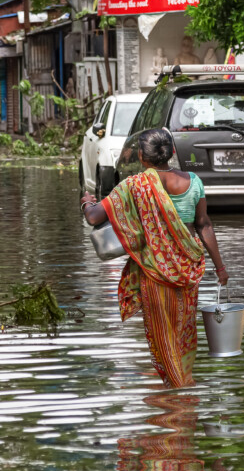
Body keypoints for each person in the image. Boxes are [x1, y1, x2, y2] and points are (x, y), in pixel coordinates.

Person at [80, 129, 229, 389]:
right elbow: (204, 225)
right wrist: (220, 267)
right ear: (172, 152)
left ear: (141, 156)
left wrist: (86, 202)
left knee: (163, 335)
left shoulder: (134, 186)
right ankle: (182, 389)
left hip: (155, 273)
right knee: (183, 331)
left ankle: (177, 397)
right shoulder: (194, 181)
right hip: (188, 271)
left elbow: (94, 217)